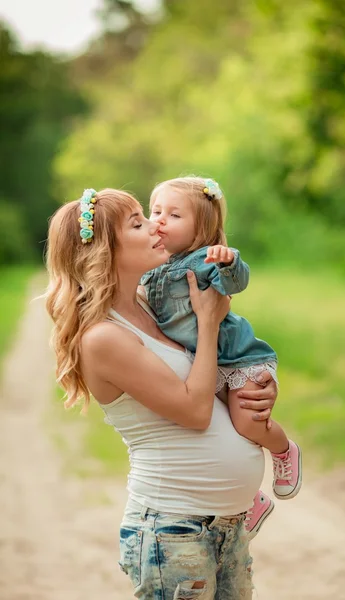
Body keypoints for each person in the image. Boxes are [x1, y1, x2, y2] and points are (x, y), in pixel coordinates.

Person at [45, 187, 278, 600]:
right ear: (104, 250)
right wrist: (208, 323)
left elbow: (210, 375)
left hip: (226, 522)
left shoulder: (151, 305)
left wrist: (256, 386)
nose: (156, 226)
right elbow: (193, 411)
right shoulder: (102, 337)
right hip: (174, 526)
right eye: (138, 223)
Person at [142, 176, 302, 538]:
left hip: (238, 358)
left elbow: (234, 283)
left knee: (247, 423)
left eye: (174, 214)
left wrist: (227, 262)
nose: (160, 220)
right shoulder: (152, 266)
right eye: (155, 211)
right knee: (222, 430)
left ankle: (283, 450)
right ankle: (252, 500)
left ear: (202, 229)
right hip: (206, 363)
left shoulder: (204, 259)